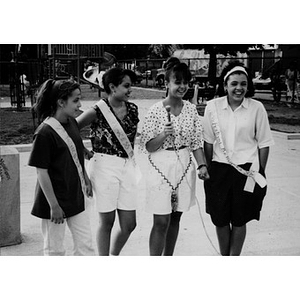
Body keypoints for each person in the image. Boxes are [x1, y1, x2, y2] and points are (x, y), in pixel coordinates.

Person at [202, 60, 274, 256]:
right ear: (225, 85)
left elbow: (264, 142)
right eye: (234, 83)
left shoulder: (257, 108)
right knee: (220, 219)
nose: (239, 88)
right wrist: (209, 168)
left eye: (243, 83)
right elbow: (208, 142)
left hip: (247, 171)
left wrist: (260, 171)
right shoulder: (212, 107)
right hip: (219, 169)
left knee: (240, 219)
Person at [140, 57, 209, 256]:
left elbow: (196, 142)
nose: (182, 86)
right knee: (161, 220)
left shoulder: (191, 109)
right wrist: (164, 134)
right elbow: (148, 146)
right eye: (177, 82)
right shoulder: (154, 111)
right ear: (167, 83)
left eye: (185, 82)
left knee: (176, 217)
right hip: (162, 166)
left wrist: (202, 165)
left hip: (184, 166)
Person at [76, 68, 139, 256]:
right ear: (112, 87)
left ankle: (114, 254)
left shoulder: (133, 109)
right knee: (107, 221)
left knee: (129, 224)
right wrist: (83, 149)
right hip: (104, 166)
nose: (130, 90)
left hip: (127, 166)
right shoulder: (97, 110)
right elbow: (71, 129)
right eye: (126, 86)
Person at [28, 79, 95, 256]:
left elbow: (76, 148)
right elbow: (41, 172)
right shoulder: (44, 132)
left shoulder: (71, 122)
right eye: (76, 100)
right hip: (53, 201)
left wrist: (86, 180)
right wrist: (54, 206)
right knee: (54, 249)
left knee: (86, 246)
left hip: (75, 194)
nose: (80, 105)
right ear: (61, 102)